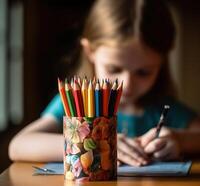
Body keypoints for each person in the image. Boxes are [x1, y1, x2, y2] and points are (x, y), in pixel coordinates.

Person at [9, 0, 200, 166]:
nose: (126, 84)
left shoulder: (164, 109)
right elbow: (18, 145)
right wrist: (93, 142)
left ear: (162, 62)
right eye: (114, 69)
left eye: (144, 72)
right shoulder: (76, 102)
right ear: (90, 51)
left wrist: (180, 140)